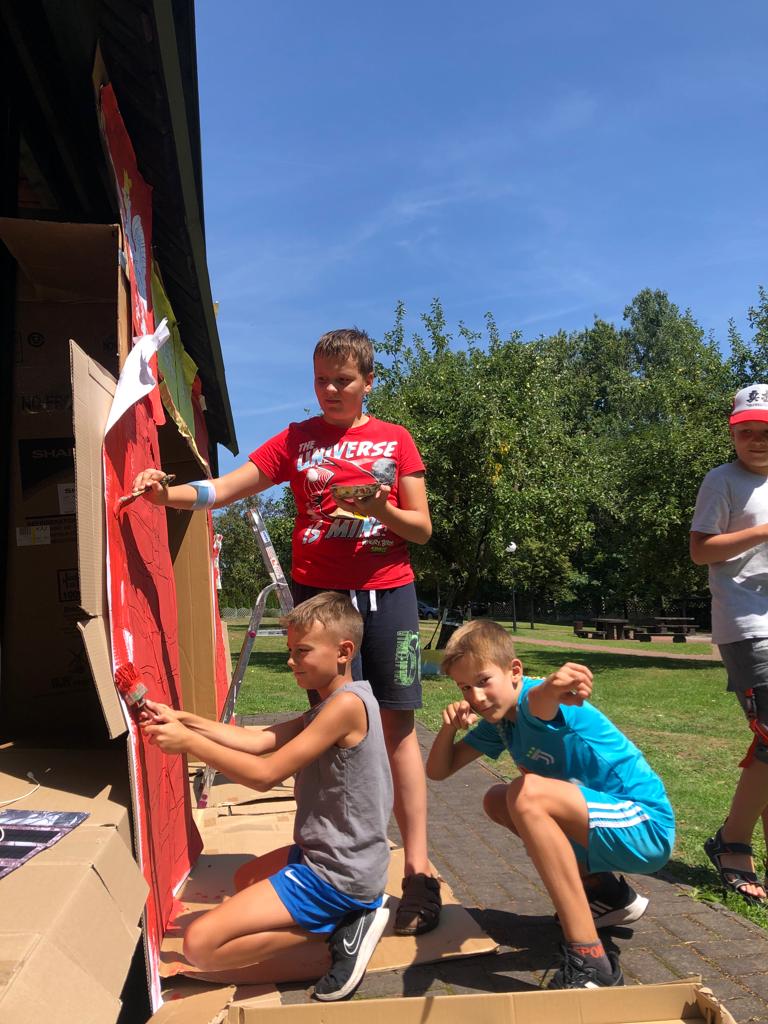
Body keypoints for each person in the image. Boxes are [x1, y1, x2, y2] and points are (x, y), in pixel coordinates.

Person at [132, 327, 441, 936]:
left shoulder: (396, 440)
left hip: (388, 594)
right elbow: (225, 487)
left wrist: (379, 509)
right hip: (320, 602)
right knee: (323, 727)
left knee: (397, 730)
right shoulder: (297, 440)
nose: (330, 390)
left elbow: (422, 529)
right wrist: (167, 495)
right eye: (321, 380)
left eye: (343, 380)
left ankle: (418, 872)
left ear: (368, 381)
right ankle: (329, 858)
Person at [141, 592, 393, 1001]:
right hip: (340, 857)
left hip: (339, 873)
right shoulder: (338, 700)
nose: (291, 661)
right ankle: (344, 918)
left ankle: (342, 934)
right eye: (290, 650)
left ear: (344, 651)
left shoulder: (345, 707)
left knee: (200, 946)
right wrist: (183, 719)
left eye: (302, 651)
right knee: (245, 879)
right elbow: (258, 741)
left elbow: (265, 774)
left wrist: (188, 744)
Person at [425, 620, 675, 990]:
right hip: (604, 824)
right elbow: (438, 771)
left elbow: (541, 701)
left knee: (525, 794)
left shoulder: (531, 700)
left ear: (515, 671)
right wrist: (449, 728)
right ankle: (606, 894)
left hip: (644, 826)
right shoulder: (500, 721)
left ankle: (592, 959)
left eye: (483, 681)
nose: (476, 696)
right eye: (464, 687)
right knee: (498, 800)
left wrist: (557, 684)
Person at [690, 383, 768, 906]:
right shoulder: (722, 480)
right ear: (732, 433)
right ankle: (732, 841)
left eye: (765, 431)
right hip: (748, 624)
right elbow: (701, 550)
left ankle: (737, 843)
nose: (756, 440)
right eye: (746, 432)